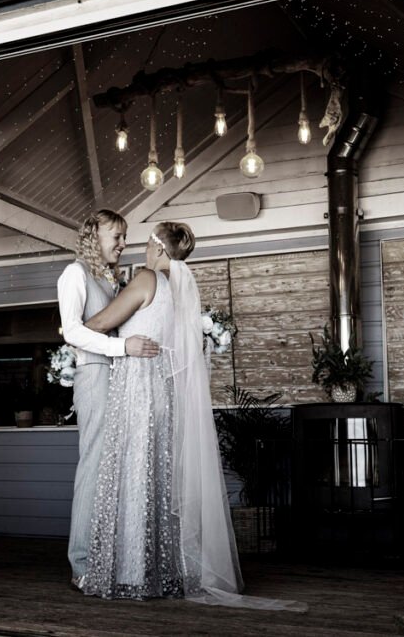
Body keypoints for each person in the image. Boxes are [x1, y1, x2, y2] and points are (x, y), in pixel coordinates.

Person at [77, 222, 305, 611]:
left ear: (158, 249)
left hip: (138, 388)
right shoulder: (180, 292)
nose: (142, 250)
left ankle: (131, 572)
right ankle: (161, 570)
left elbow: (99, 324)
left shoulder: (147, 278)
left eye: (147, 243)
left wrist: (69, 328)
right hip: (163, 393)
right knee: (156, 480)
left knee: (134, 475)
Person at [57, 209, 160, 588]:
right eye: (115, 236)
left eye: (124, 236)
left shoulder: (112, 279)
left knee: (114, 470)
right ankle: (81, 564)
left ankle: (108, 557)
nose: (122, 243)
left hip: (120, 378)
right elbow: (72, 332)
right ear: (93, 236)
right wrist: (123, 347)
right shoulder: (74, 274)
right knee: (94, 467)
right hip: (96, 375)